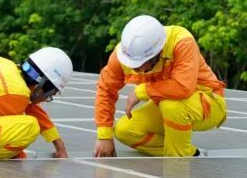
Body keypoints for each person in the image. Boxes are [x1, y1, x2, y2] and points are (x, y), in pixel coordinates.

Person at [94, 15, 227, 157]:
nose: (134, 68)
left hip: (209, 104)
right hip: (166, 104)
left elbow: (183, 87)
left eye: (139, 63)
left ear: (156, 54)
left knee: (171, 105)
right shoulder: (123, 55)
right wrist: (104, 136)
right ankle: (192, 154)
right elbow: (106, 90)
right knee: (124, 130)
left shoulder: (181, 41)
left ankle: (176, 166)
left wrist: (142, 91)